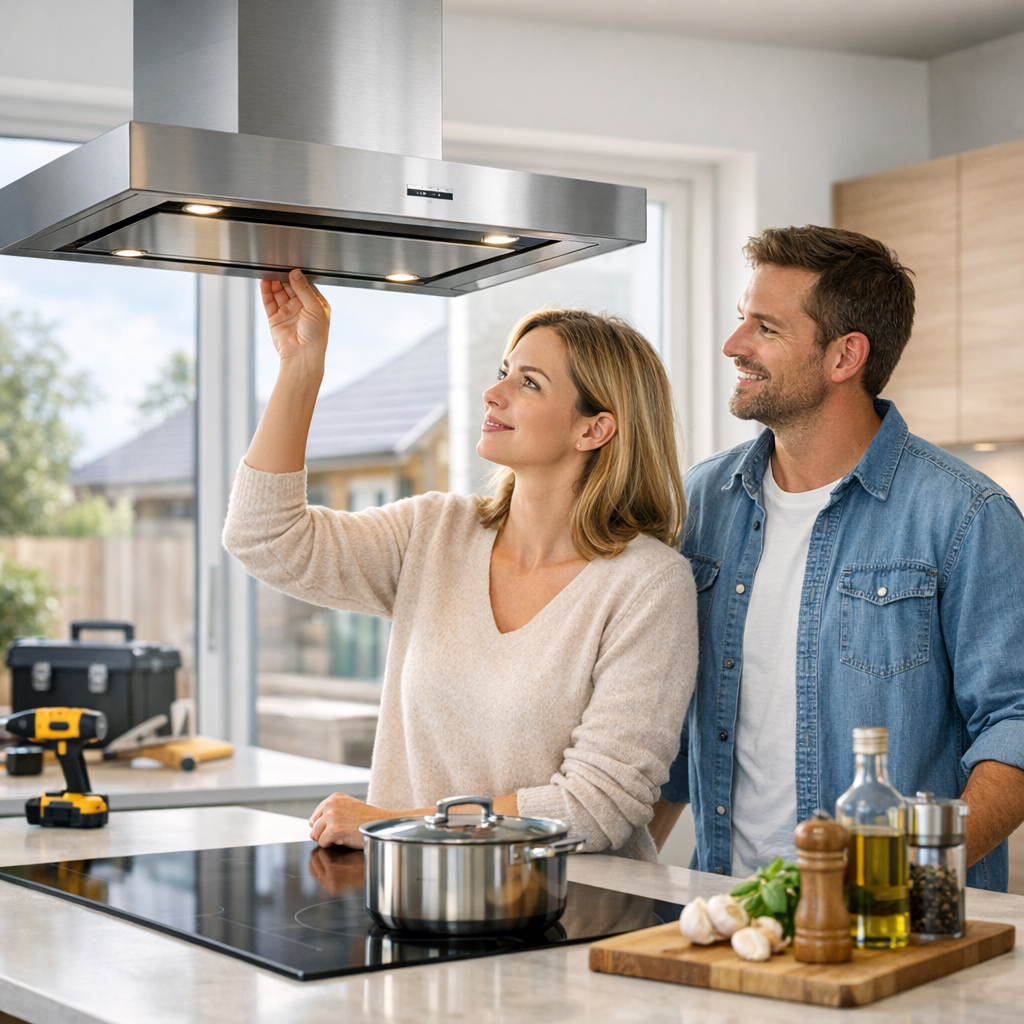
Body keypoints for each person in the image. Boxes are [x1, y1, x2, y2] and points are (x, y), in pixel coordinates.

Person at [223, 269, 698, 860]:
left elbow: (595, 807)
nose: (493, 394)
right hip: (416, 901)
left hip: (573, 915)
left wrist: (396, 824)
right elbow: (264, 537)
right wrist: (300, 367)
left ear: (594, 429)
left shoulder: (647, 585)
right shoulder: (436, 533)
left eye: (528, 383)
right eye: (503, 373)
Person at [649, 226, 1024, 890]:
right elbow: (671, 730)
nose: (734, 345)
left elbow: (1016, 726)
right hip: (730, 917)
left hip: (896, 931)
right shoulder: (701, 501)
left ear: (845, 355)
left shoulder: (965, 516)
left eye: (765, 327)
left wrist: (905, 883)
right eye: (742, 320)